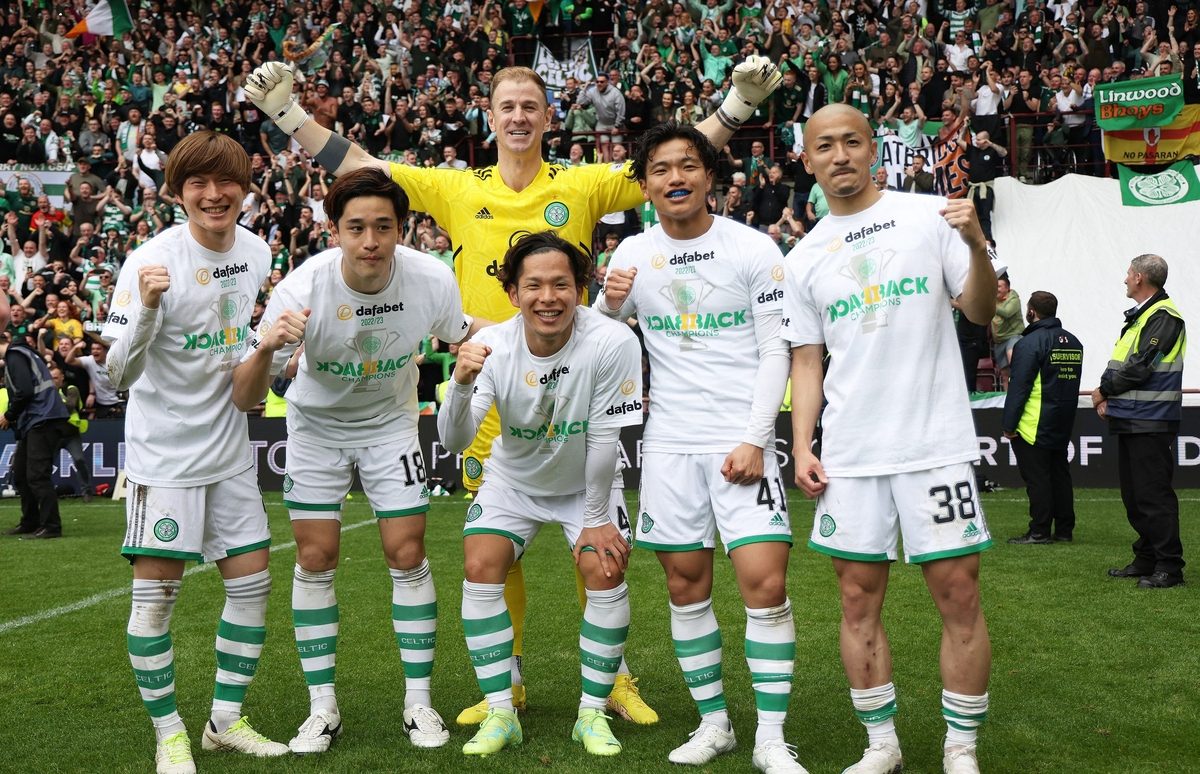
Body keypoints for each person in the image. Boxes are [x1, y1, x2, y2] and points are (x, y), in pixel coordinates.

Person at [246, 58, 782, 724]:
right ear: (491, 115)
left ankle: (614, 679)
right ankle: (513, 679)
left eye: (532, 105)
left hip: (576, 387)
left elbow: (671, 166)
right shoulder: (453, 187)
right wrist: (288, 115)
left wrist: (734, 107)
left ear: (548, 116)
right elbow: (362, 166)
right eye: (508, 106)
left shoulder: (581, 184)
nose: (520, 116)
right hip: (494, 390)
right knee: (497, 548)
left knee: (599, 544)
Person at [233, 168, 482, 753]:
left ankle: (418, 702)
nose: (370, 240)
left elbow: (466, 331)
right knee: (316, 558)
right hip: (315, 430)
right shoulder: (301, 289)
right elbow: (246, 396)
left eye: (383, 226)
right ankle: (323, 708)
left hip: (391, 426)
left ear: (402, 228)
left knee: (407, 552)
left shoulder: (430, 278)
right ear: (334, 231)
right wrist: (269, 345)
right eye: (356, 227)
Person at [783, 104, 996, 774]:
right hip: (850, 453)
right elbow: (807, 360)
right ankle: (882, 745)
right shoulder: (803, 255)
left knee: (959, 595)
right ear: (808, 160)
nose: (840, 155)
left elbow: (982, 312)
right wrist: (803, 443)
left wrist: (978, 245)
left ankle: (960, 748)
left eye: (852, 141)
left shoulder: (932, 215)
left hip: (934, 443)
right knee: (855, 600)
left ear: (874, 149)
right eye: (826, 146)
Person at [598, 123, 806, 773]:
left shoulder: (752, 248)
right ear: (644, 185)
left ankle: (772, 738)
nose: (675, 178)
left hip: (742, 441)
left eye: (688, 165)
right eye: (660, 169)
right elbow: (600, 349)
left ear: (710, 177)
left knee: (763, 586)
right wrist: (606, 310)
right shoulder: (631, 254)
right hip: (669, 446)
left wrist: (755, 437)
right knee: (686, 588)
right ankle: (714, 722)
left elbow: (780, 348)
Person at [101, 131, 289, 774]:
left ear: (245, 185)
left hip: (231, 451)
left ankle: (224, 722)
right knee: (155, 602)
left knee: (254, 584)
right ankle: (169, 732)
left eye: (225, 182)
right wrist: (149, 308)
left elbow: (242, 363)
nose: (214, 195)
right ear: (177, 192)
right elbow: (118, 373)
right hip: (166, 458)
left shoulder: (258, 252)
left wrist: (269, 353)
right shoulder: (148, 261)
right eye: (197, 185)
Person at [437, 231, 643, 758]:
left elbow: (603, 440)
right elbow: (455, 440)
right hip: (515, 482)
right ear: (512, 292)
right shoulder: (496, 346)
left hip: (586, 483)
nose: (547, 297)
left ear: (580, 288)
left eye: (560, 285)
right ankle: (502, 711)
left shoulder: (612, 341)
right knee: (481, 563)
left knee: (603, 566)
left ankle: (592, 713)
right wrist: (459, 384)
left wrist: (597, 518)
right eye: (533, 285)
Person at [1093, 254, 1186, 589]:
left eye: (1129, 273)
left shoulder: (1163, 316)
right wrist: (1110, 398)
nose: (1125, 278)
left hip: (1151, 420)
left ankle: (1169, 568)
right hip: (1135, 418)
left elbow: (1141, 365)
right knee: (1135, 497)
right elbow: (1126, 363)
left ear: (1141, 277)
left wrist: (1103, 391)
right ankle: (1147, 559)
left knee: (1152, 496)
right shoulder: (1144, 315)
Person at [1002, 292, 1083, 544]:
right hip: (1062, 419)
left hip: (1033, 423)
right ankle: (1064, 530)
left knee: (1037, 479)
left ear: (1031, 312)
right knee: (1060, 475)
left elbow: (1019, 388)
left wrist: (1008, 424)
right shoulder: (1073, 341)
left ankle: (1038, 531)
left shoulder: (1029, 343)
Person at [1, 330, 71, 539]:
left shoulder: (15, 355)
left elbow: (25, 391)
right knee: (22, 474)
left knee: (37, 476)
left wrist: (9, 416)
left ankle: (51, 526)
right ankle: (30, 521)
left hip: (43, 419)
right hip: (36, 420)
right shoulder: (22, 353)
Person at [992, 275, 1022, 388]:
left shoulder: (1014, 299)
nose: (996, 289)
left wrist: (990, 304)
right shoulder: (994, 301)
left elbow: (1007, 312)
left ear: (1007, 288)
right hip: (999, 340)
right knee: (1004, 374)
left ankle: (1020, 388)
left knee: (1011, 355)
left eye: (999, 286)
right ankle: (1006, 398)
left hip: (1014, 336)